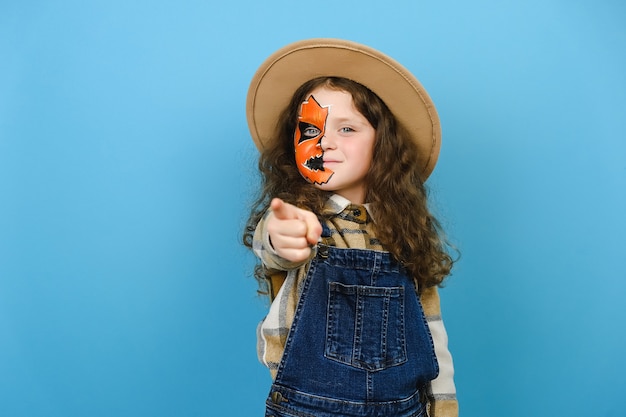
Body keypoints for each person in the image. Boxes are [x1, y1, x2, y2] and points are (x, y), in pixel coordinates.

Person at [243, 38, 458, 417]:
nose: (325, 143)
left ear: (384, 143)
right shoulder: (297, 217)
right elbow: (273, 243)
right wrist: (285, 235)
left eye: (347, 129)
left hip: (404, 409)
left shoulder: (404, 233)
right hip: (307, 408)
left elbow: (431, 333)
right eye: (310, 131)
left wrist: (443, 406)